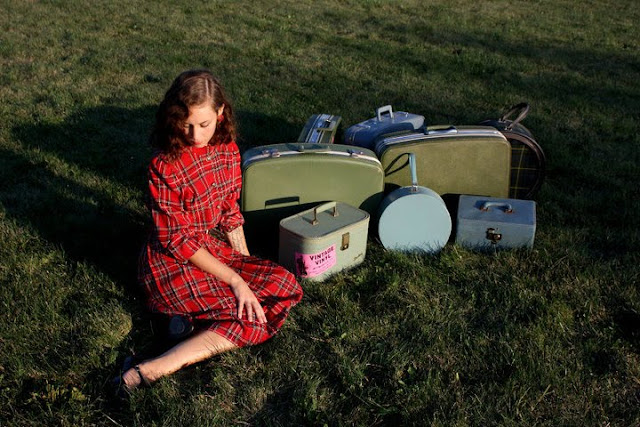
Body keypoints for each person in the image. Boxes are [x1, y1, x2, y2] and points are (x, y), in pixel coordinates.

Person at [116, 69, 303, 391]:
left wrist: (245, 266)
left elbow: (229, 211)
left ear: (220, 113)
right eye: (186, 124)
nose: (194, 135)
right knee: (253, 318)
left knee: (284, 284)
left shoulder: (227, 150)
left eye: (203, 124)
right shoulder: (163, 166)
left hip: (208, 250)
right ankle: (150, 369)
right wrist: (236, 281)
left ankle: (186, 326)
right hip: (169, 263)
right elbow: (176, 240)